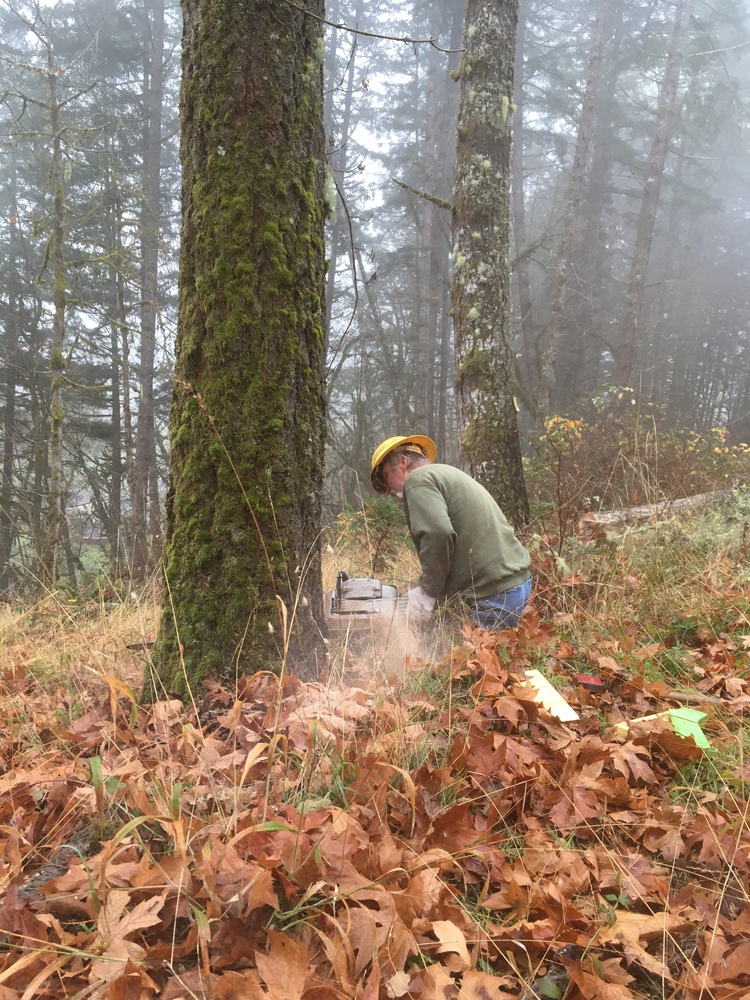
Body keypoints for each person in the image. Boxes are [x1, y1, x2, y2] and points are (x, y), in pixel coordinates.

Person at [370, 435, 532, 630]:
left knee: (468, 660)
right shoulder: (447, 473)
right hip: (516, 585)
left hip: (493, 594)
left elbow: (438, 534)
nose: (390, 491)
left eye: (387, 478)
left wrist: (428, 592)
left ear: (403, 462)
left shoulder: (417, 480)